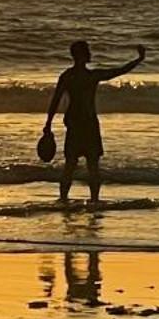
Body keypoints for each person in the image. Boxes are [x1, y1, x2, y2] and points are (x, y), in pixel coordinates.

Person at [41, 40, 146, 204]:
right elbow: (118, 71)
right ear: (81, 55)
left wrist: (48, 124)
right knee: (91, 165)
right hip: (87, 124)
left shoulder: (68, 76)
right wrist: (139, 60)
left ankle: (63, 200)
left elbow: (55, 101)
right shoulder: (91, 76)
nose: (90, 54)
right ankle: (94, 201)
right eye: (87, 51)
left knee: (71, 164)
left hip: (75, 123)